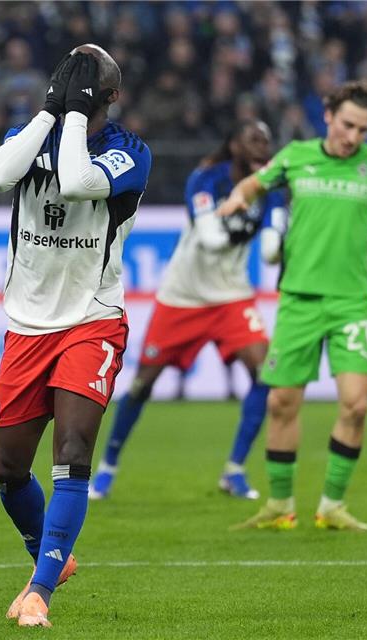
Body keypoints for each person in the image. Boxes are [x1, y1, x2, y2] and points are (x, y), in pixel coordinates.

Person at [0, 46, 151, 628]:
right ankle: (52, 559)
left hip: (92, 320)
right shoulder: (31, 136)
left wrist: (74, 116)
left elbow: (80, 184)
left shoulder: (131, 152)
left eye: (83, 85)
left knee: (73, 454)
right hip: (25, 326)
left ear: (109, 97)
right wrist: (51, 112)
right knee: (7, 468)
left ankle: (40, 592)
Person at [219, 81, 367, 532]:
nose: (354, 137)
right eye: (348, 124)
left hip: (352, 304)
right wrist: (239, 197)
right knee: (281, 402)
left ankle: (332, 505)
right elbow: (255, 183)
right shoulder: (296, 156)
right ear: (329, 115)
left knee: (356, 406)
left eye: (364, 130)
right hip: (298, 300)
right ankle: (279, 505)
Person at [89, 120, 287, 502]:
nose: (263, 147)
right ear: (233, 145)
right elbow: (210, 240)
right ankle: (108, 468)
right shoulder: (205, 178)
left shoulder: (271, 188)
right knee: (143, 384)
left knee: (266, 375)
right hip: (183, 296)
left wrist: (278, 235)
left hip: (232, 295)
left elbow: (270, 248)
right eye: (254, 140)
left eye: (267, 140)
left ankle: (235, 470)